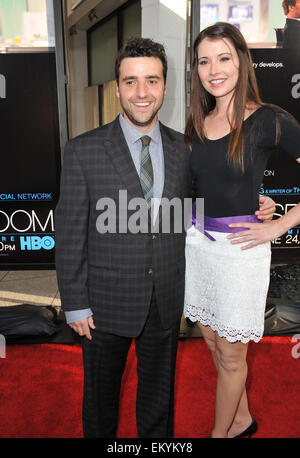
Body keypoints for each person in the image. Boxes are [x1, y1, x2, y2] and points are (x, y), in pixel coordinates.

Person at [55, 36, 275, 439]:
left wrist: (259, 203)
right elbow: (69, 233)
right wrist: (74, 304)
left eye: (152, 81)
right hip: (103, 303)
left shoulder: (183, 147)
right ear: (117, 86)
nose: (142, 93)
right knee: (100, 403)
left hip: (165, 298)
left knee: (158, 401)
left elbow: (204, 202)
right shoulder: (83, 151)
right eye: (131, 82)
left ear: (165, 87)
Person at [183, 22, 300, 439]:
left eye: (224, 57)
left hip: (240, 252)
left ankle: (220, 435)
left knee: (232, 358)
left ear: (241, 61)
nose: (213, 69)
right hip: (198, 247)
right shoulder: (197, 122)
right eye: (204, 60)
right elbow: (201, 188)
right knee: (214, 346)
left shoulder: (268, 119)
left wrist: (281, 224)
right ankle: (243, 421)